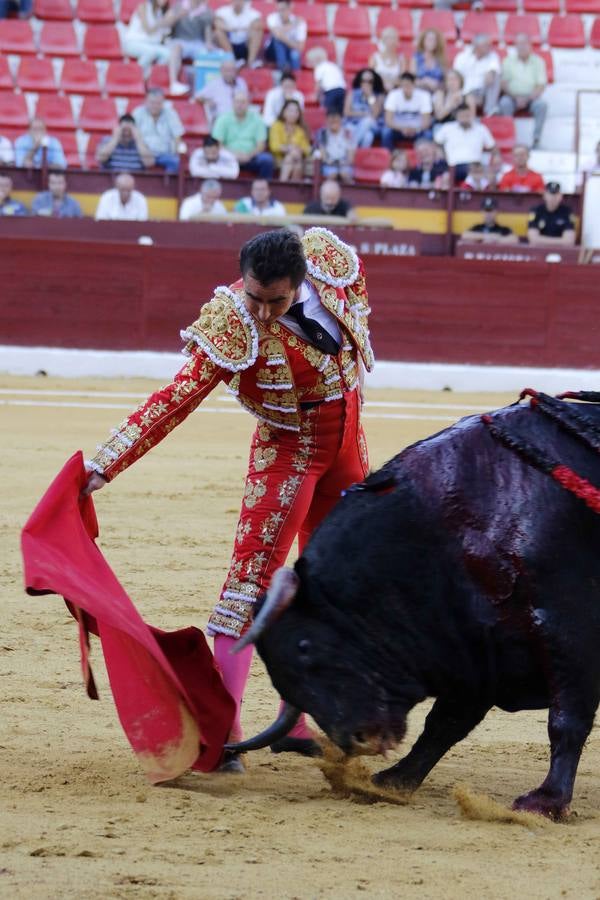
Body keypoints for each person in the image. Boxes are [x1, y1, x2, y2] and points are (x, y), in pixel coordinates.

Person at [82, 228, 374, 772]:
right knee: (247, 588)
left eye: (276, 301)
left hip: (348, 448)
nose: (262, 313)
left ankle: (299, 719)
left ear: (302, 282)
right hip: (287, 455)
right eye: (253, 297)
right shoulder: (229, 322)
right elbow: (175, 399)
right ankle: (225, 735)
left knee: (336, 585)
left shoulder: (333, 265)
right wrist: (105, 464)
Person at [212, 89, 274, 179]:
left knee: (267, 160)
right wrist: (234, 155)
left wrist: (248, 156)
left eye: (243, 102)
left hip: (251, 157)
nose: (240, 105)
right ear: (232, 103)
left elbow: (261, 145)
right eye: (237, 102)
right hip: (228, 157)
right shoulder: (222, 119)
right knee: (214, 158)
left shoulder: (257, 119)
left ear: (248, 104)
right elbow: (217, 143)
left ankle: (263, 190)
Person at [499, 34, 547, 148]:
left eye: (524, 44)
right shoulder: (507, 61)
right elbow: (503, 84)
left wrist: (527, 98)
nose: (522, 47)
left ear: (530, 45)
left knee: (542, 105)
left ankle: (536, 139)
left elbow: (541, 86)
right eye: (519, 44)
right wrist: (516, 98)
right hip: (512, 97)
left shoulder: (538, 61)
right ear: (515, 46)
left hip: (531, 98)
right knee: (504, 103)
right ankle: (509, 137)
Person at [434, 102, 495, 183]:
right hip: (452, 166)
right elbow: (436, 143)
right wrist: (441, 153)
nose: (465, 119)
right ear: (456, 116)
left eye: (467, 116)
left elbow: (492, 147)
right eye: (462, 116)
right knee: (442, 178)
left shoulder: (481, 129)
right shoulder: (447, 128)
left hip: (475, 167)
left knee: (489, 178)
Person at [167, 0, 215, 95]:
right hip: (180, 40)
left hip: (197, 42)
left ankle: (203, 88)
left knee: (206, 54)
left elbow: (207, 30)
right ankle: (173, 83)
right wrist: (179, 15)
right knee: (175, 49)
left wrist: (209, 43)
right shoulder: (179, 6)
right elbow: (167, 24)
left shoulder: (207, 11)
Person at [133, 88, 184, 174]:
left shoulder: (171, 113)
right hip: (142, 153)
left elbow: (177, 136)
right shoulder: (138, 113)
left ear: (163, 103)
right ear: (145, 101)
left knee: (176, 161)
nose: (155, 106)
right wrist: (144, 151)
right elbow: (134, 134)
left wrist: (176, 152)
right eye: (152, 103)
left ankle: (167, 186)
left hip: (164, 154)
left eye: (158, 103)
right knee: (131, 161)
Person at [382, 71, 433, 150]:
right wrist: (402, 129)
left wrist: (415, 129)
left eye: (408, 85)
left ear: (414, 85)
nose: (406, 88)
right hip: (398, 129)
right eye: (403, 85)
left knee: (428, 134)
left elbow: (426, 122)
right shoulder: (393, 95)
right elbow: (388, 120)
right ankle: (389, 157)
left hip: (417, 130)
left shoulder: (424, 95)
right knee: (386, 132)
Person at [453, 34, 501, 117]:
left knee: (495, 76)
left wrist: (491, 73)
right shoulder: (462, 57)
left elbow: (494, 69)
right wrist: (465, 94)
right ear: (476, 46)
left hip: (483, 91)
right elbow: (456, 77)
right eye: (486, 45)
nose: (489, 48)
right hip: (466, 91)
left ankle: (490, 109)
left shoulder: (492, 56)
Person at [123, 0, 174, 74]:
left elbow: (164, 36)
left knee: (168, 54)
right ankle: (134, 75)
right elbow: (148, 30)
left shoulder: (160, 12)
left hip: (151, 44)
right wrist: (163, 21)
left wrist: (169, 20)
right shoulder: (143, 6)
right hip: (133, 42)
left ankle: (151, 75)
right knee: (150, 52)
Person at [195, 58, 248, 125]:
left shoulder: (241, 83)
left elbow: (246, 100)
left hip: (239, 119)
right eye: (227, 70)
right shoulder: (214, 84)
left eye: (232, 70)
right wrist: (207, 100)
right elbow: (197, 96)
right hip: (220, 120)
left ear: (236, 71)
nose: (229, 73)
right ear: (221, 71)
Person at [269, 99, 311, 181]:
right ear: (284, 112)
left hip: (297, 158)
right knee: (293, 159)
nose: (293, 114)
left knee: (294, 159)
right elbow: (274, 146)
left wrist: (296, 150)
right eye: (290, 110)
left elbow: (306, 149)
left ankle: (282, 184)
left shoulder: (301, 129)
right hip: (278, 158)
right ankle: (292, 189)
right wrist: (290, 149)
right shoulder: (276, 126)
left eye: (296, 111)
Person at [213, 0, 264, 68]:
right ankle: (231, 60)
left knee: (256, 32)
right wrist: (230, 29)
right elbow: (217, 23)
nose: (237, 3)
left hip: (245, 45)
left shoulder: (253, 13)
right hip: (228, 46)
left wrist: (240, 29)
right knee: (218, 32)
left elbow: (257, 26)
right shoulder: (222, 11)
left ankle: (251, 61)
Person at [343, 69, 385, 149]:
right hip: (353, 124)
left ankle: (351, 147)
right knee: (368, 136)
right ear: (360, 81)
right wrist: (364, 114)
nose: (366, 84)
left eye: (370, 81)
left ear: (374, 82)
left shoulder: (379, 96)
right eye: (363, 81)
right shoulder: (352, 93)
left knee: (368, 121)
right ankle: (358, 159)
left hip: (372, 125)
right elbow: (347, 112)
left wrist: (369, 96)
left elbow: (375, 114)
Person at [527, 182, 575, 247]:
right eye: (550, 194)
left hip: (561, 251)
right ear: (544, 195)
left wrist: (540, 240)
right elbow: (533, 239)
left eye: (556, 194)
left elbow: (569, 241)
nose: (553, 197)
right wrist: (562, 241)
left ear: (561, 196)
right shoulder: (536, 211)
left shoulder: (567, 212)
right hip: (539, 250)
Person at [264, 0, 307, 72]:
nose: (280, 13)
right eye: (278, 10)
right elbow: (277, 35)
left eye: (283, 10)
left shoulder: (300, 23)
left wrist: (282, 37)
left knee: (295, 53)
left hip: (290, 51)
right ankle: (283, 70)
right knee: (278, 41)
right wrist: (293, 25)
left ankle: (296, 76)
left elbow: (300, 47)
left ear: (290, 8)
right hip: (272, 52)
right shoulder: (272, 17)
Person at [315, 110, 355, 184]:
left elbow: (350, 157)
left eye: (336, 121)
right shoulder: (322, 133)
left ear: (341, 121)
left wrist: (343, 163)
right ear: (327, 121)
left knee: (345, 174)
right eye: (331, 122)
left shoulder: (347, 133)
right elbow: (323, 156)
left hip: (344, 164)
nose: (334, 124)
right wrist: (330, 162)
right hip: (329, 164)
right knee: (332, 174)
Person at [309, 47, 346, 116]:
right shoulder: (333, 65)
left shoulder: (319, 67)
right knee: (339, 111)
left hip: (331, 91)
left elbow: (318, 84)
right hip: (342, 90)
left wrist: (316, 96)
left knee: (327, 112)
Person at [370, 26, 406, 94]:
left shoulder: (401, 59)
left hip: (394, 90)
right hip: (377, 90)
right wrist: (383, 83)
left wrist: (392, 83)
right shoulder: (375, 57)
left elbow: (403, 79)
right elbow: (370, 76)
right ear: (383, 40)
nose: (391, 41)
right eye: (388, 38)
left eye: (393, 38)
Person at [410, 28, 447, 94]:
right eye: (429, 39)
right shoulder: (416, 58)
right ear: (423, 41)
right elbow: (412, 80)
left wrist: (436, 84)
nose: (431, 42)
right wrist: (425, 81)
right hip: (419, 91)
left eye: (434, 40)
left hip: (437, 92)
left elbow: (445, 81)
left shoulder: (441, 59)